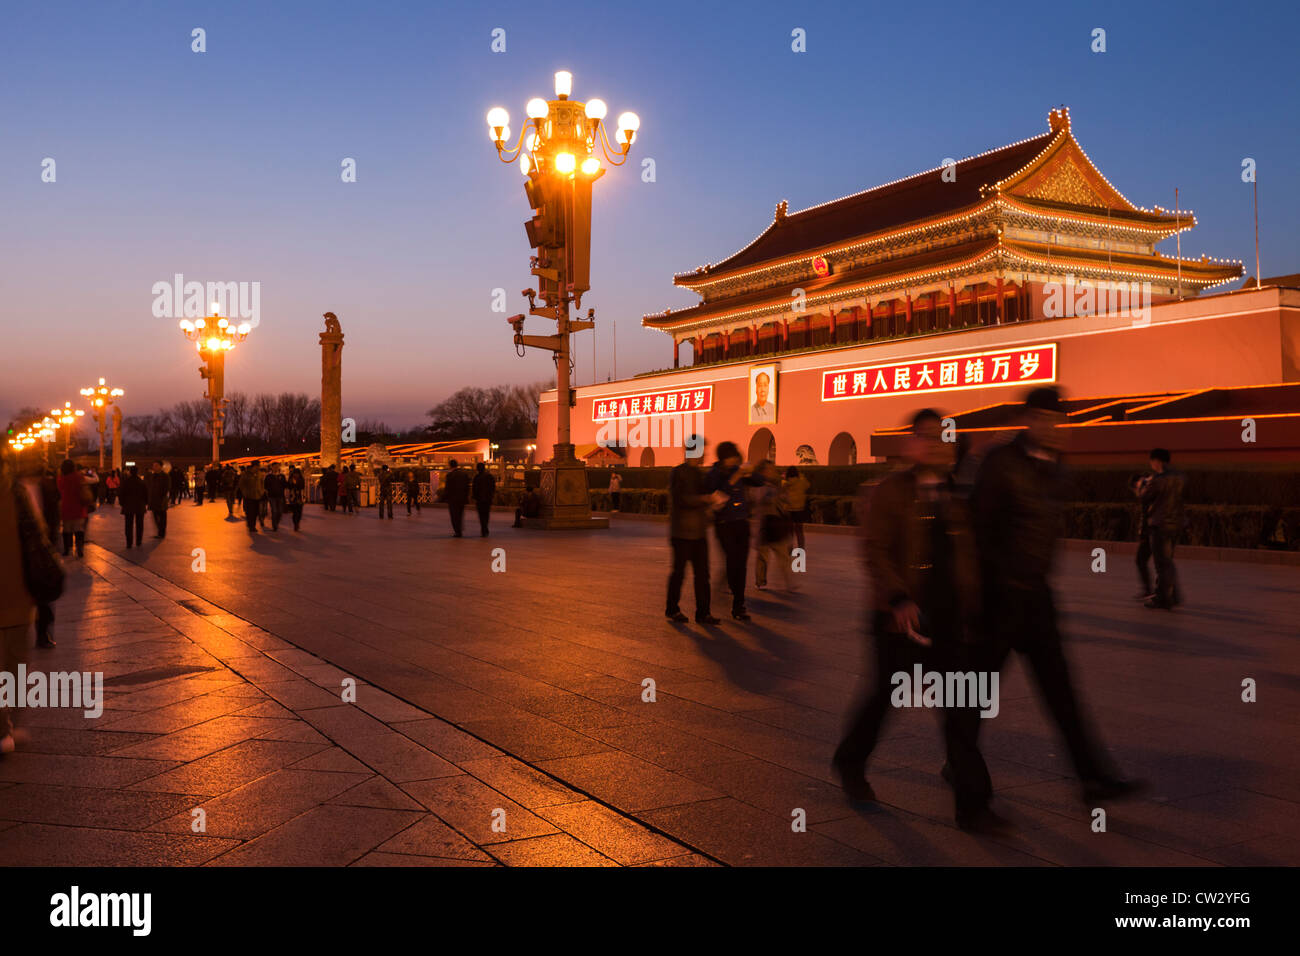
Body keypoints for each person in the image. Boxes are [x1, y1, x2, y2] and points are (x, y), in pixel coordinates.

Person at [971, 387, 1142, 803]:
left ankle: (1093, 778)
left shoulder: (1058, 466)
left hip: (1037, 598)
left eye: (1059, 421)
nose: (1055, 428)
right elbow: (979, 527)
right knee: (976, 692)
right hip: (1000, 599)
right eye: (1046, 419)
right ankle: (959, 761)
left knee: (1061, 692)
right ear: (1028, 419)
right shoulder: (1000, 462)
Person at [832, 408, 998, 831]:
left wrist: (975, 610)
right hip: (898, 619)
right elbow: (875, 550)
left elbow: (968, 559)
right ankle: (850, 761)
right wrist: (899, 598)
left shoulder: (958, 496)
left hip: (947, 620)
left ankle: (974, 807)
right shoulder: (890, 491)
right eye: (926, 437)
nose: (936, 446)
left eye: (944, 439)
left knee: (961, 708)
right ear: (911, 444)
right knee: (884, 698)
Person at [1, 453, 36, 754]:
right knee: (12, 668)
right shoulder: (16, 494)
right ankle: (7, 726)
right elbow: (37, 539)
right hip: (15, 597)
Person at [707, 442, 763, 621]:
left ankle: (739, 605)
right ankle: (734, 594)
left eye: (736, 457)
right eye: (731, 457)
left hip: (742, 523)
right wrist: (735, 476)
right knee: (733, 562)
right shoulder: (715, 474)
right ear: (723, 458)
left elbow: (759, 481)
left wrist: (750, 471)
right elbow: (716, 494)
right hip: (724, 524)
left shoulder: (738, 470)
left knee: (741, 564)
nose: (734, 461)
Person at [666, 438, 718, 624]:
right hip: (682, 532)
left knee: (703, 575)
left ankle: (703, 612)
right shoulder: (678, 473)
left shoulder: (699, 473)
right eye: (702, 451)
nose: (704, 454)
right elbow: (681, 500)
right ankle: (672, 609)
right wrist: (704, 499)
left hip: (699, 532)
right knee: (679, 572)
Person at [1141, 448, 1184, 610]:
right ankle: (1172, 595)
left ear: (1157, 461)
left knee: (1161, 563)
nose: (1151, 464)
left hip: (1160, 525)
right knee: (1168, 561)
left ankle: (1163, 598)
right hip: (1176, 525)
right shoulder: (1180, 477)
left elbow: (1144, 497)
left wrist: (1142, 486)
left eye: (1152, 460)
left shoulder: (1158, 479)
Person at [754, 460, 796, 591]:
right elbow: (760, 501)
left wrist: (783, 495)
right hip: (765, 524)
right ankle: (760, 581)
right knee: (763, 556)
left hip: (776, 524)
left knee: (783, 554)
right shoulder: (759, 485)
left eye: (773, 469)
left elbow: (785, 501)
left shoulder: (776, 485)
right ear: (762, 471)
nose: (772, 471)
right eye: (769, 469)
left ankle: (789, 582)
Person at [1130, 471, 1154, 600]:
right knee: (1162, 562)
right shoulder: (1152, 485)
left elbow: (1146, 516)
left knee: (1140, 560)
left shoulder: (1146, 490)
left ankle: (1148, 590)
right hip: (1157, 530)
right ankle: (1169, 593)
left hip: (1150, 532)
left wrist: (1142, 532)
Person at [57, 459, 88, 557]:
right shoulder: (79, 477)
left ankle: (67, 549)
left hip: (66, 507)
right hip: (79, 507)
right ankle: (80, 548)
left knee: (67, 530)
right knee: (79, 529)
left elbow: (59, 490)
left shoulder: (60, 479)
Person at [782, 465, 810, 553]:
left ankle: (789, 548)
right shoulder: (802, 482)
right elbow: (808, 485)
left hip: (789, 509)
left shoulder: (785, 483)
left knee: (789, 531)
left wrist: (783, 477)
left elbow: (781, 488)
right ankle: (801, 549)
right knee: (799, 531)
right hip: (799, 509)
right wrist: (801, 476)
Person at [119, 465, 148, 549]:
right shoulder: (142, 482)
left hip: (128, 506)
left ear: (130, 472)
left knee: (128, 525)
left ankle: (129, 543)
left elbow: (121, 494)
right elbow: (146, 494)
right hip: (140, 506)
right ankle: (139, 541)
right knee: (140, 524)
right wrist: (145, 503)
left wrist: (122, 503)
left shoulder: (126, 482)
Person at [442, 460, 470, 537]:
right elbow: (467, 487)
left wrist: (443, 498)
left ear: (450, 466)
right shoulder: (464, 474)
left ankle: (457, 531)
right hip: (462, 499)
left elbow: (447, 489)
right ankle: (459, 529)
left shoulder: (450, 475)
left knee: (454, 515)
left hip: (453, 500)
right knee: (460, 515)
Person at [238, 461, 266, 533]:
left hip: (257, 496)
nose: (258, 467)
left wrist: (261, 491)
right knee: (250, 512)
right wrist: (245, 492)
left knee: (256, 512)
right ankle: (252, 526)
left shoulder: (259, 474)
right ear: (253, 466)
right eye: (257, 466)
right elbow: (241, 484)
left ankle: (251, 524)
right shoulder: (246, 474)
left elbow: (262, 483)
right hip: (249, 496)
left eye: (259, 466)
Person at [147, 459, 170, 539]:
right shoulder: (152, 476)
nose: (154, 467)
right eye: (153, 465)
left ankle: (162, 533)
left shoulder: (165, 476)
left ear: (161, 466)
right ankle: (159, 532)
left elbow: (166, 488)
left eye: (156, 465)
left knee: (162, 517)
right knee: (155, 516)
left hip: (161, 500)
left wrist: (161, 497)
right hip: (153, 500)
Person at [472, 462, 496, 536]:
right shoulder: (490, 476)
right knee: (486, 514)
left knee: (481, 515)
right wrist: (491, 496)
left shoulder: (476, 477)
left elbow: (474, 489)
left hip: (479, 500)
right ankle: (485, 528)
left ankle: (484, 529)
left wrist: (474, 497)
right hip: (487, 499)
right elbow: (493, 487)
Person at [263, 463, 286, 531]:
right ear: (272, 467)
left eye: (277, 467)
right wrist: (267, 492)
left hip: (280, 495)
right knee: (274, 510)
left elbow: (285, 484)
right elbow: (265, 485)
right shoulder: (268, 476)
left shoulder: (282, 476)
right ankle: (274, 525)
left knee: (280, 511)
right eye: (274, 467)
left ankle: (276, 522)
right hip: (271, 496)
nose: (276, 468)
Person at [286, 465, 306, 531]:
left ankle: (297, 523)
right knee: (295, 512)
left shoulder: (301, 479)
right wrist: (292, 483)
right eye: (295, 474)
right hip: (293, 497)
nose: (296, 475)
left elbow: (302, 487)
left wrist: (297, 484)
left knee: (299, 512)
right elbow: (288, 487)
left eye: (297, 474)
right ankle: (295, 524)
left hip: (300, 497)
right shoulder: (290, 479)